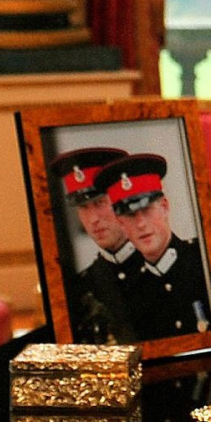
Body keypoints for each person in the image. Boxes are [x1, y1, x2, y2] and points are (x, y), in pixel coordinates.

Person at [95, 153, 211, 341]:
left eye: (147, 210)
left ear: (164, 207)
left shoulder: (204, 260)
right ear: (121, 223)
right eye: (131, 215)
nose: (141, 224)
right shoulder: (128, 292)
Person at [47, 146, 136, 344]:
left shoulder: (168, 264)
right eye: (83, 207)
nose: (93, 219)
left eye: (100, 203)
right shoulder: (80, 287)